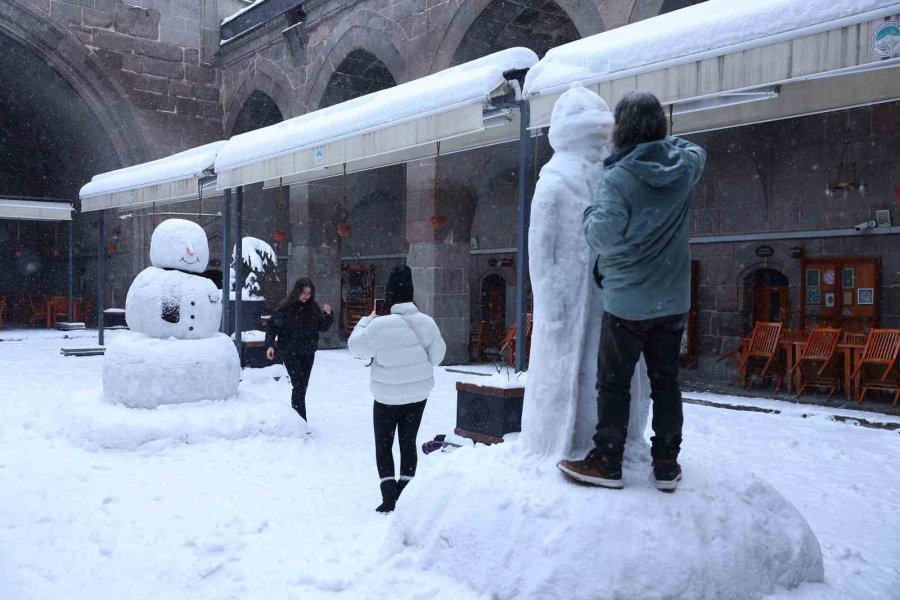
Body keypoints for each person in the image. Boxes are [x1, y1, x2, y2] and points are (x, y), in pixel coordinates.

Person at [557, 91, 706, 492]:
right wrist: (661, 144)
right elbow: (695, 149)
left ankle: (607, 461)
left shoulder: (617, 179)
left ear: (620, 130)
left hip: (627, 303)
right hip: (672, 299)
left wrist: (589, 212)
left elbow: (601, 236)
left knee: (614, 382)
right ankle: (667, 463)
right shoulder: (685, 166)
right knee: (666, 381)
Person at [347, 265, 446, 513]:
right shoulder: (427, 323)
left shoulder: (378, 326)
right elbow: (437, 357)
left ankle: (389, 496)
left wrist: (366, 320)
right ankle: (406, 492)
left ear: (388, 295)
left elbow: (356, 348)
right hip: (417, 395)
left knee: (384, 444)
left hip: (386, 396)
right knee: (407, 441)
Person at [265, 277, 333, 428]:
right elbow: (272, 327)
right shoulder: (285, 307)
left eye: (309, 293)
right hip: (290, 352)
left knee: (302, 386)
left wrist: (328, 315)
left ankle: (298, 421)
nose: (306, 296)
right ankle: (300, 422)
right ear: (297, 291)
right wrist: (270, 345)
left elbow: (322, 327)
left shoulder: (313, 308)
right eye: (303, 293)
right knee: (299, 385)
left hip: (308, 353)